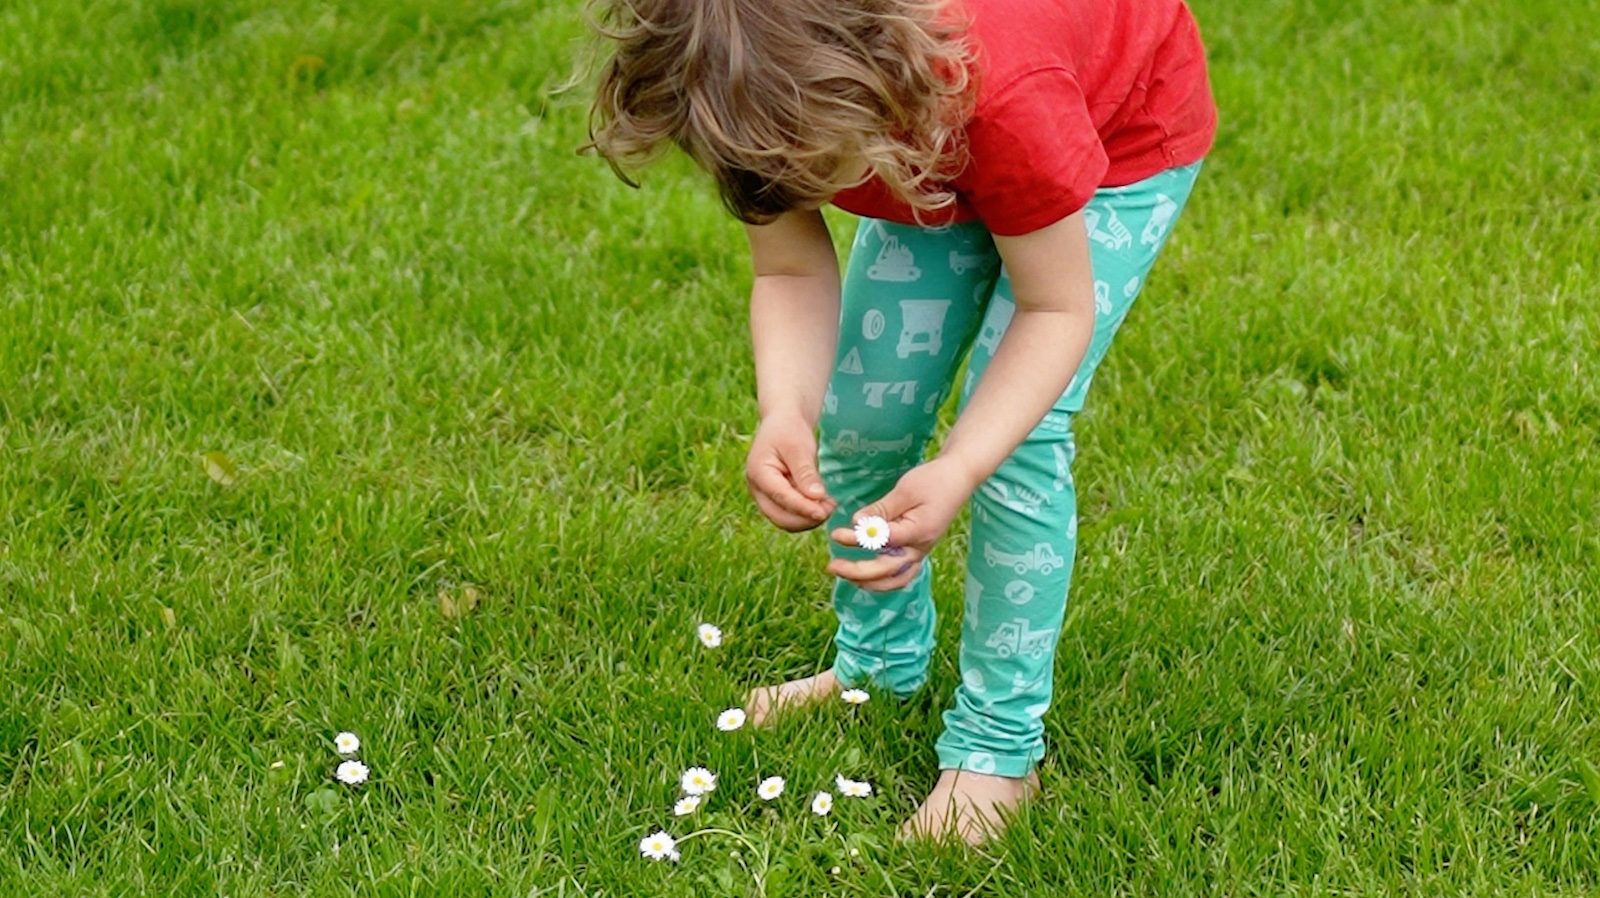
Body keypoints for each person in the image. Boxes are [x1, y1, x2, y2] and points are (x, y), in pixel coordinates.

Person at [583, 0, 1216, 845]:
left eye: (808, 173)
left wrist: (960, 465)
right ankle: (877, 666)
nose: (786, 196)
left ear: (870, 86)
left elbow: (1055, 308)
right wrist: (786, 410)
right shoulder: (754, 90)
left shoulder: (1003, 97)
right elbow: (789, 271)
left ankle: (997, 748)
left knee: (1016, 442)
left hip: (1114, 142)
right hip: (932, 140)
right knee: (863, 416)